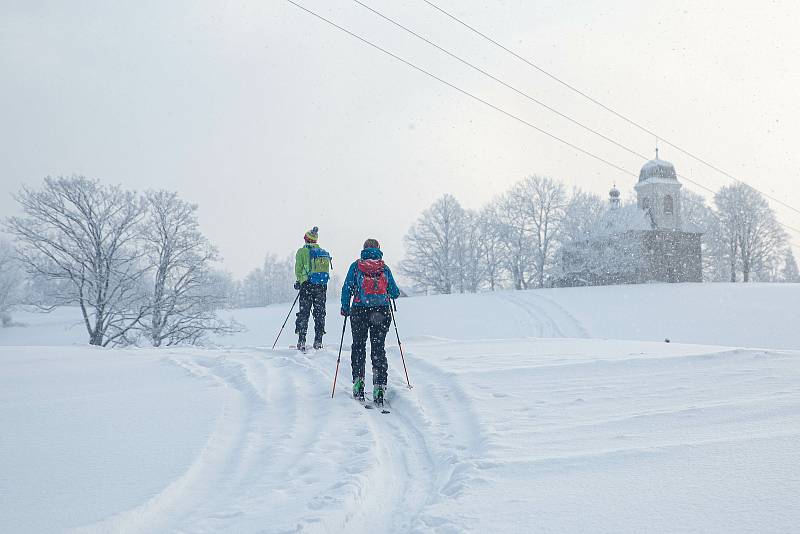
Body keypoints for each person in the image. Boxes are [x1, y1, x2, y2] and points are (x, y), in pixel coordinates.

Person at [340, 238, 400, 406]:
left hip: (359, 311)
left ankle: (358, 382)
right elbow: (394, 292)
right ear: (379, 249)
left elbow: (347, 288)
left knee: (358, 345)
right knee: (378, 347)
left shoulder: (356, 266)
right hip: (381, 312)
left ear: (364, 249)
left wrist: (345, 307)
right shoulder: (384, 267)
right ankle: (379, 385)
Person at [294, 226, 331, 351]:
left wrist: (299, 281)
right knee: (319, 313)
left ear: (306, 239)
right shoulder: (322, 252)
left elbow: (298, 270)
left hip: (307, 285)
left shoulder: (301, 252)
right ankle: (318, 340)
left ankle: (302, 340)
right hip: (321, 286)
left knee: (304, 313)